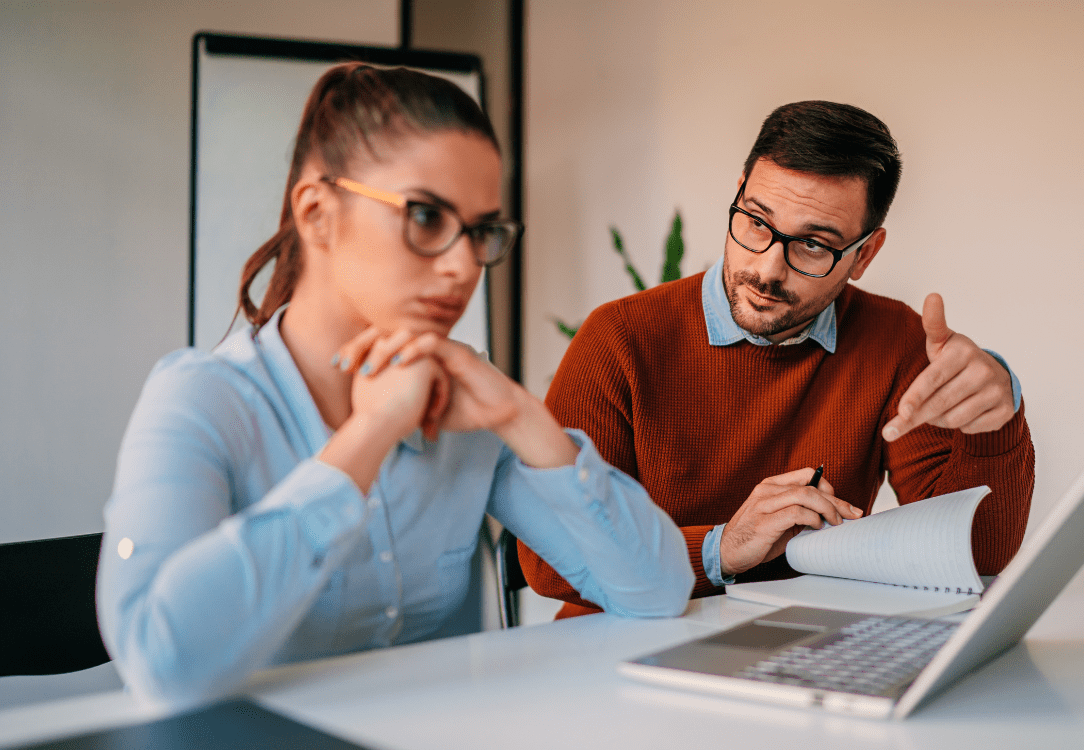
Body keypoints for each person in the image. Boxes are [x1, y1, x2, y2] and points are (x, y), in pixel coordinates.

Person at [96, 63, 693, 705]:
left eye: (480, 232)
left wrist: (522, 417)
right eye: (426, 216)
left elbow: (655, 592)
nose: (465, 266)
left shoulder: (463, 407)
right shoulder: (203, 399)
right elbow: (159, 660)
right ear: (319, 213)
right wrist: (371, 432)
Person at [520, 101, 1034, 618]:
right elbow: (550, 557)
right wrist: (722, 548)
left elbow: (976, 554)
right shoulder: (620, 339)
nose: (767, 269)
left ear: (864, 255)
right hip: (620, 653)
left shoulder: (895, 340)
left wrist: (993, 421)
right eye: (756, 222)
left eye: (813, 245)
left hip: (804, 645)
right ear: (739, 191)